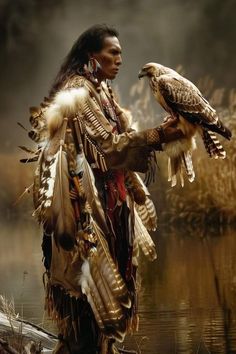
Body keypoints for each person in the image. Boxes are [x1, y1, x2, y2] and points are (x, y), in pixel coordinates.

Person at [28, 24, 184, 354]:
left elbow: (115, 153)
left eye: (121, 53)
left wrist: (135, 189)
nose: (120, 59)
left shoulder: (103, 91)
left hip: (110, 205)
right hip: (83, 210)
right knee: (87, 297)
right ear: (91, 56)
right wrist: (158, 135)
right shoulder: (77, 92)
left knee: (110, 294)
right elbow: (110, 146)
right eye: (112, 52)